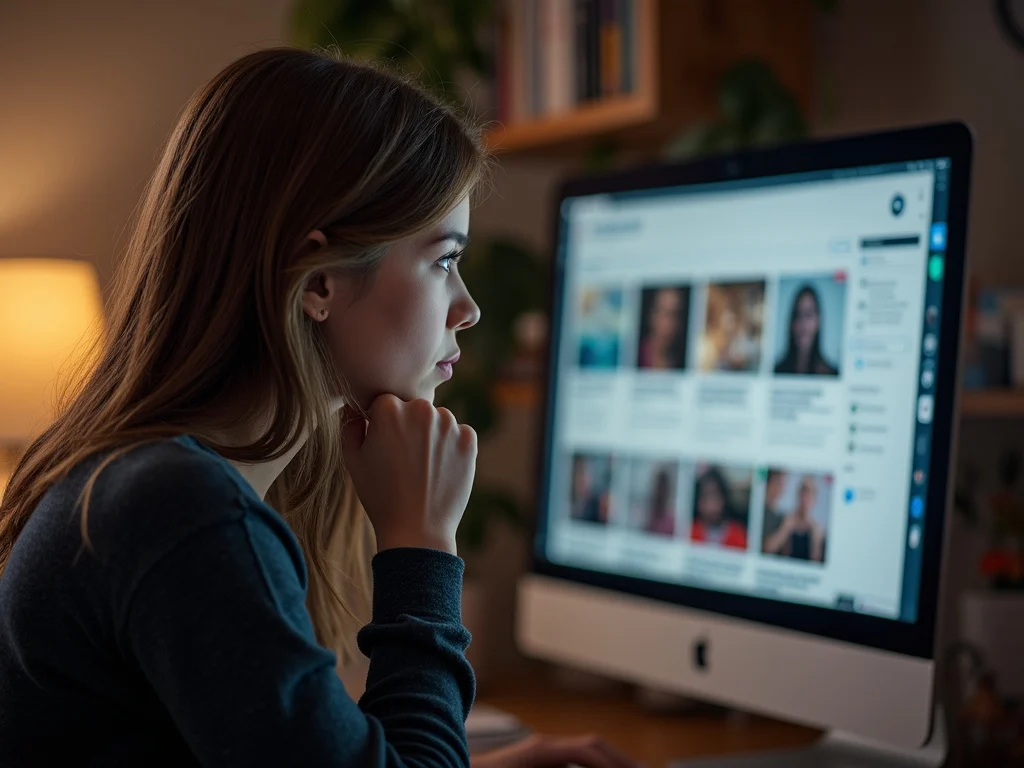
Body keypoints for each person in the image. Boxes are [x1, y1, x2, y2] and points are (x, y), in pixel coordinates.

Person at [0, 49, 637, 768]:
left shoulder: (149, 487)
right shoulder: (179, 511)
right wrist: (422, 542)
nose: (469, 308)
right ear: (320, 281)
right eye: (442, 260)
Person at [774, 284, 839, 376]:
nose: (803, 323)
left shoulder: (831, 374)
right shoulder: (776, 371)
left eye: (808, 315)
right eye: (798, 315)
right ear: (791, 323)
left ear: (818, 321)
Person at [764, 475, 827, 562]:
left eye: (809, 493)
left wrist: (816, 543)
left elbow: (818, 564)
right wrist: (784, 530)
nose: (805, 498)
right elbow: (767, 549)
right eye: (803, 492)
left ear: (814, 499)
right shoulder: (785, 520)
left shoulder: (818, 530)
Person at [690, 467, 748, 550]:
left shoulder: (738, 535)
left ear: (724, 498)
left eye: (715, 496)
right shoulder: (689, 532)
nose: (711, 504)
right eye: (705, 497)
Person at [637, 287, 687, 369]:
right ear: (652, 315)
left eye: (676, 315)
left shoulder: (680, 360)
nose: (671, 323)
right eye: (666, 314)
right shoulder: (634, 354)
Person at [644, 466, 675, 536]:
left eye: (663, 489)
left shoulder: (670, 521)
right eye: (658, 488)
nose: (659, 492)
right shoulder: (645, 514)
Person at [761, 469, 786, 548]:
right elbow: (767, 547)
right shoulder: (759, 512)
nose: (780, 489)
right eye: (777, 483)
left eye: (782, 484)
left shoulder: (780, 516)